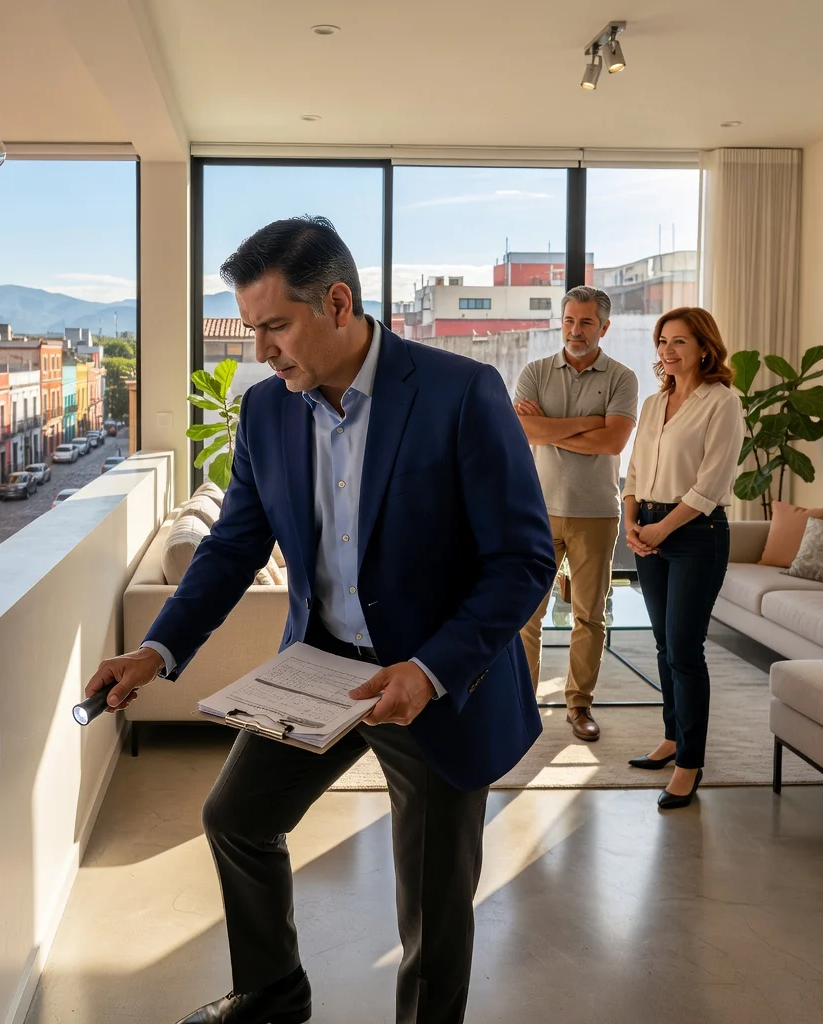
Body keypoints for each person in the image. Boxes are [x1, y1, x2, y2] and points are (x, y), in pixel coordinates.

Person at [84, 216, 555, 1024]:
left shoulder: (458, 393)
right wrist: (158, 649)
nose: (260, 351)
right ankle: (273, 994)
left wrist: (430, 669)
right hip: (316, 668)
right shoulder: (266, 411)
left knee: (433, 911)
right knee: (235, 819)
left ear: (337, 302)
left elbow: (522, 560)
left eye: (274, 326)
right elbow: (232, 548)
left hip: (430, 686)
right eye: (252, 328)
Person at [623, 307, 744, 810]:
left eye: (679, 342)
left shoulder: (723, 402)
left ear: (703, 347)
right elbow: (633, 470)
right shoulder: (654, 404)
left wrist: (660, 528)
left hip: (696, 534)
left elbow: (711, 484)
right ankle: (672, 738)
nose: (668, 351)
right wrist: (631, 522)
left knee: (684, 649)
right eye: (663, 341)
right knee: (661, 643)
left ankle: (690, 762)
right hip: (647, 527)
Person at [514, 286, 638, 741]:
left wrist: (550, 429)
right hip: (538, 509)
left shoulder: (622, 377)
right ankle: (522, 702)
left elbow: (613, 442)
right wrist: (589, 421)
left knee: (589, 615)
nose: (575, 330)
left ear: (603, 327)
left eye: (586, 322)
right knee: (527, 612)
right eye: (569, 320)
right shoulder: (536, 372)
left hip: (596, 512)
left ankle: (579, 705)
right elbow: (524, 428)